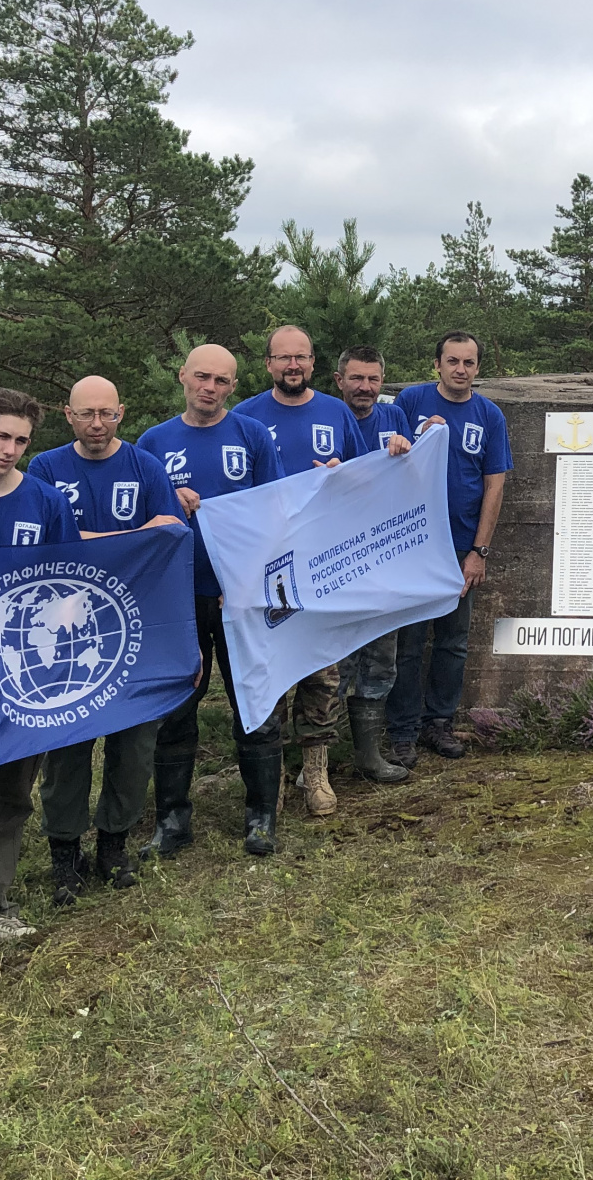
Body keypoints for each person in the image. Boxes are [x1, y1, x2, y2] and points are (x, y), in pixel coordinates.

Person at [26, 375, 185, 904]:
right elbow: (50, 545)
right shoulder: (46, 468)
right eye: (86, 414)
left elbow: (170, 531)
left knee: (134, 740)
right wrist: (129, 538)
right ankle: (64, 852)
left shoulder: (144, 466)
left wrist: (94, 542)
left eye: (107, 414)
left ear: (122, 413)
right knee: (68, 739)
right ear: (67, 415)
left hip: (132, 622)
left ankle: (114, 843)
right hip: (64, 624)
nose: (97, 424)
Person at [138, 344, 281, 848]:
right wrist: (168, 503)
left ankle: (262, 815)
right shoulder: (153, 442)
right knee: (178, 705)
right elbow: (139, 524)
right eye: (202, 377)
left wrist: (246, 584)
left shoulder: (252, 435)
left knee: (254, 702)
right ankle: (172, 820)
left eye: (221, 381)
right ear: (182, 376)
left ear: (233, 386)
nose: (210, 388)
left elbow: (273, 514)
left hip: (239, 597)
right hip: (177, 598)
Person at [233, 326, 377, 828]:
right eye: (282, 358)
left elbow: (365, 479)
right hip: (263, 566)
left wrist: (342, 472)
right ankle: (266, 775)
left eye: (301, 358)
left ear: (313, 363)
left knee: (321, 668)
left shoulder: (336, 413)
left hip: (322, 563)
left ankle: (315, 770)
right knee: (269, 665)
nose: (292, 366)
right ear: (268, 363)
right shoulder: (245, 416)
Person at [0, 387, 80, 943]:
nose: (10, 449)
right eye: (2, 436)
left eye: (22, 441)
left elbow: (70, 587)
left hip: (20, 671)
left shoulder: (46, 502)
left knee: (10, 796)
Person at [389, 329, 511, 765]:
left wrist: (479, 551)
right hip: (411, 545)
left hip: (460, 547)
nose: (461, 370)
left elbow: (494, 484)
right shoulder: (410, 402)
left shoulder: (489, 415)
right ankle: (400, 730)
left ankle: (437, 724)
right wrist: (421, 432)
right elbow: (387, 458)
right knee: (408, 643)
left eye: (469, 363)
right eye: (453, 361)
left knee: (453, 641)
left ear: (478, 367)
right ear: (437, 364)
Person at [334, 344, 415, 786]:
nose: (364, 387)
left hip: (385, 557)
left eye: (373, 379)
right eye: (356, 378)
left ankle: (369, 754)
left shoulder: (394, 418)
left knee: (382, 656)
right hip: (334, 560)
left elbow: (415, 473)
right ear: (339, 379)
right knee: (335, 661)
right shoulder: (325, 417)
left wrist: (419, 443)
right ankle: (317, 763)